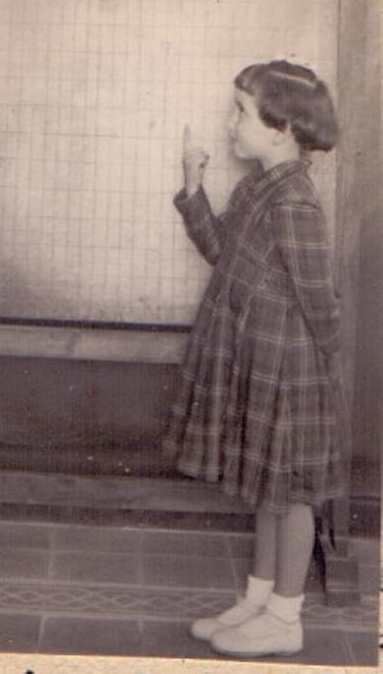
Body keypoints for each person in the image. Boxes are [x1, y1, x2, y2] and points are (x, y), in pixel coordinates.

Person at [163, 60, 344, 658]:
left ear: (282, 126)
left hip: (290, 371)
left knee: (290, 494)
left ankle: (285, 618)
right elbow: (222, 251)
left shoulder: (294, 201)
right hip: (259, 359)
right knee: (269, 488)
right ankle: (258, 598)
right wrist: (193, 187)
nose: (229, 122)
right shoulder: (256, 186)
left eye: (240, 110)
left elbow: (321, 302)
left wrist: (323, 372)